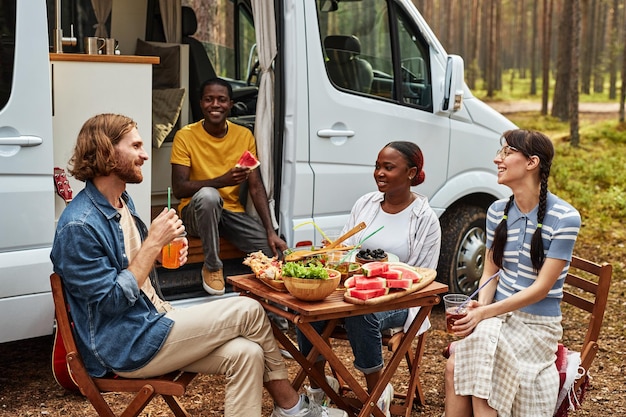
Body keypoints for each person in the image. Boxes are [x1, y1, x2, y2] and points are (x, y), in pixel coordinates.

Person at [50, 113, 346, 417]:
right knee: (249, 309)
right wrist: (152, 243)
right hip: (127, 345)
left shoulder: (122, 202)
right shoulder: (79, 226)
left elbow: (134, 270)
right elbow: (109, 302)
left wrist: (159, 250)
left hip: (153, 320)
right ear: (107, 152)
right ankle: (292, 408)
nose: (145, 154)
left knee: (248, 353)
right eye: (136, 146)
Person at [443, 129, 581, 417]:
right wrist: (481, 305)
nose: (497, 159)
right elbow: (490, 270)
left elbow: (542, 288)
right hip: (499, 318)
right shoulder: (497, 211)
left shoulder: (565, 218)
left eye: (506, 153)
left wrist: (485, 313)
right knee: (455, 366)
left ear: (531, 163)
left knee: (482, 376)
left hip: (537, 326)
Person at [296, 141, 441, 415]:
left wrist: (408, 331)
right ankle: (320, 387)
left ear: (411, 173)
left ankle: (376, 392)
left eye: (388, 167)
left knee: (361, 314)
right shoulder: (365, 203)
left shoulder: (425, 219)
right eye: (377, 166)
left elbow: (425, 278)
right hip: (353, 289)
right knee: (305, 306)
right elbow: (344, 250)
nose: (379, 173)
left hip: (399, 299)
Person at [170, 77, 287, 295]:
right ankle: (213, 267)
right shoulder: (185, 136)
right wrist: (221, 181)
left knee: (274, 252)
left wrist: (271, 231)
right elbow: (179, 189)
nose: (215, 105)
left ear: (231, 105)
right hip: (195, 213)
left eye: (222, 100)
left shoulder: (244, 135)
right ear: (201, 103)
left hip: (230, 214)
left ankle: (270, 307)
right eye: (209, 99)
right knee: (209, 196)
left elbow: (256, 187)